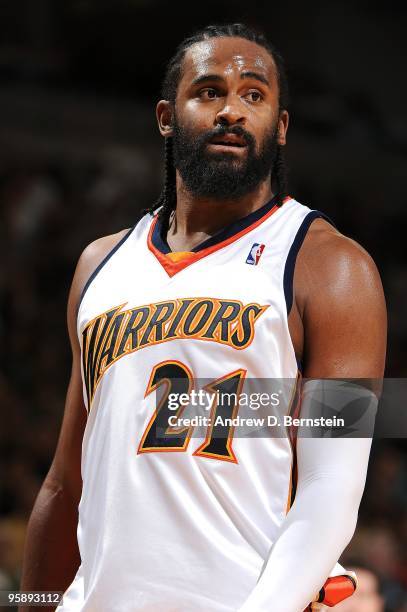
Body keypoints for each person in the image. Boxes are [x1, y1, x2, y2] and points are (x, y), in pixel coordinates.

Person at [19, 23, 387, 612]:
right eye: (210, 91)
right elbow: (67, 484)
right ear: (167, 116)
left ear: (282, 127)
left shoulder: (333, 268)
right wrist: (30, 604)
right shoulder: (100, 265)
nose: (232, 111)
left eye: (254, 95)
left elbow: (332, 487)